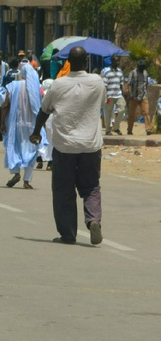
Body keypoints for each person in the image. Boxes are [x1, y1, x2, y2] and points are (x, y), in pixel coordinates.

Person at [29, 46, 106, 245]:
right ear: (86, 61)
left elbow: (44, 110)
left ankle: (68, 234)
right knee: (91, 187)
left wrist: (36, 132)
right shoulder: (97, 82)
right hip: (91, 145)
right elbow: (103, 103)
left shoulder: (58, 85)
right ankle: (93, 220)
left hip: (65, 146)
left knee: (63, 190)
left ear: (69, 62)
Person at [0, 62, 41, 189]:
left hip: (16, 124)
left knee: (14, 147)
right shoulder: (37, 88)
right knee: (32, 150)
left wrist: (2, 122)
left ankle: (16, 173)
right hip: (32, 125)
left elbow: (5, 105)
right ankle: (27, 181)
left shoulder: (12, 86)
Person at [125, 59, 154, 136]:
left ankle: (148, 129)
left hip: (143, 96)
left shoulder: (145, 73)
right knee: (131, 114)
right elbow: (129, 84)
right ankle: (129, 130)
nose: (142, 68)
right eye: (141, 67)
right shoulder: (133, 73)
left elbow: (146, 84)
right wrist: (130, 94)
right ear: (138, 66)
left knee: (146, 113)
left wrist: (145, 92)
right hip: (133, 97)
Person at [100, 57, 124, 136]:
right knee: (108, 113)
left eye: (118, 61)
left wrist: (123, 93)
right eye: (116, 61)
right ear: (112, 61)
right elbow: (105, 85)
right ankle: (108, 130)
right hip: (109, 95)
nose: (117, 62)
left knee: (122, 110)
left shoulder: (120, 72)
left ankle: (116, 127)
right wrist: (105, 96)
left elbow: (121, 84)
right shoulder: (107, 72)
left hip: (118, 94)